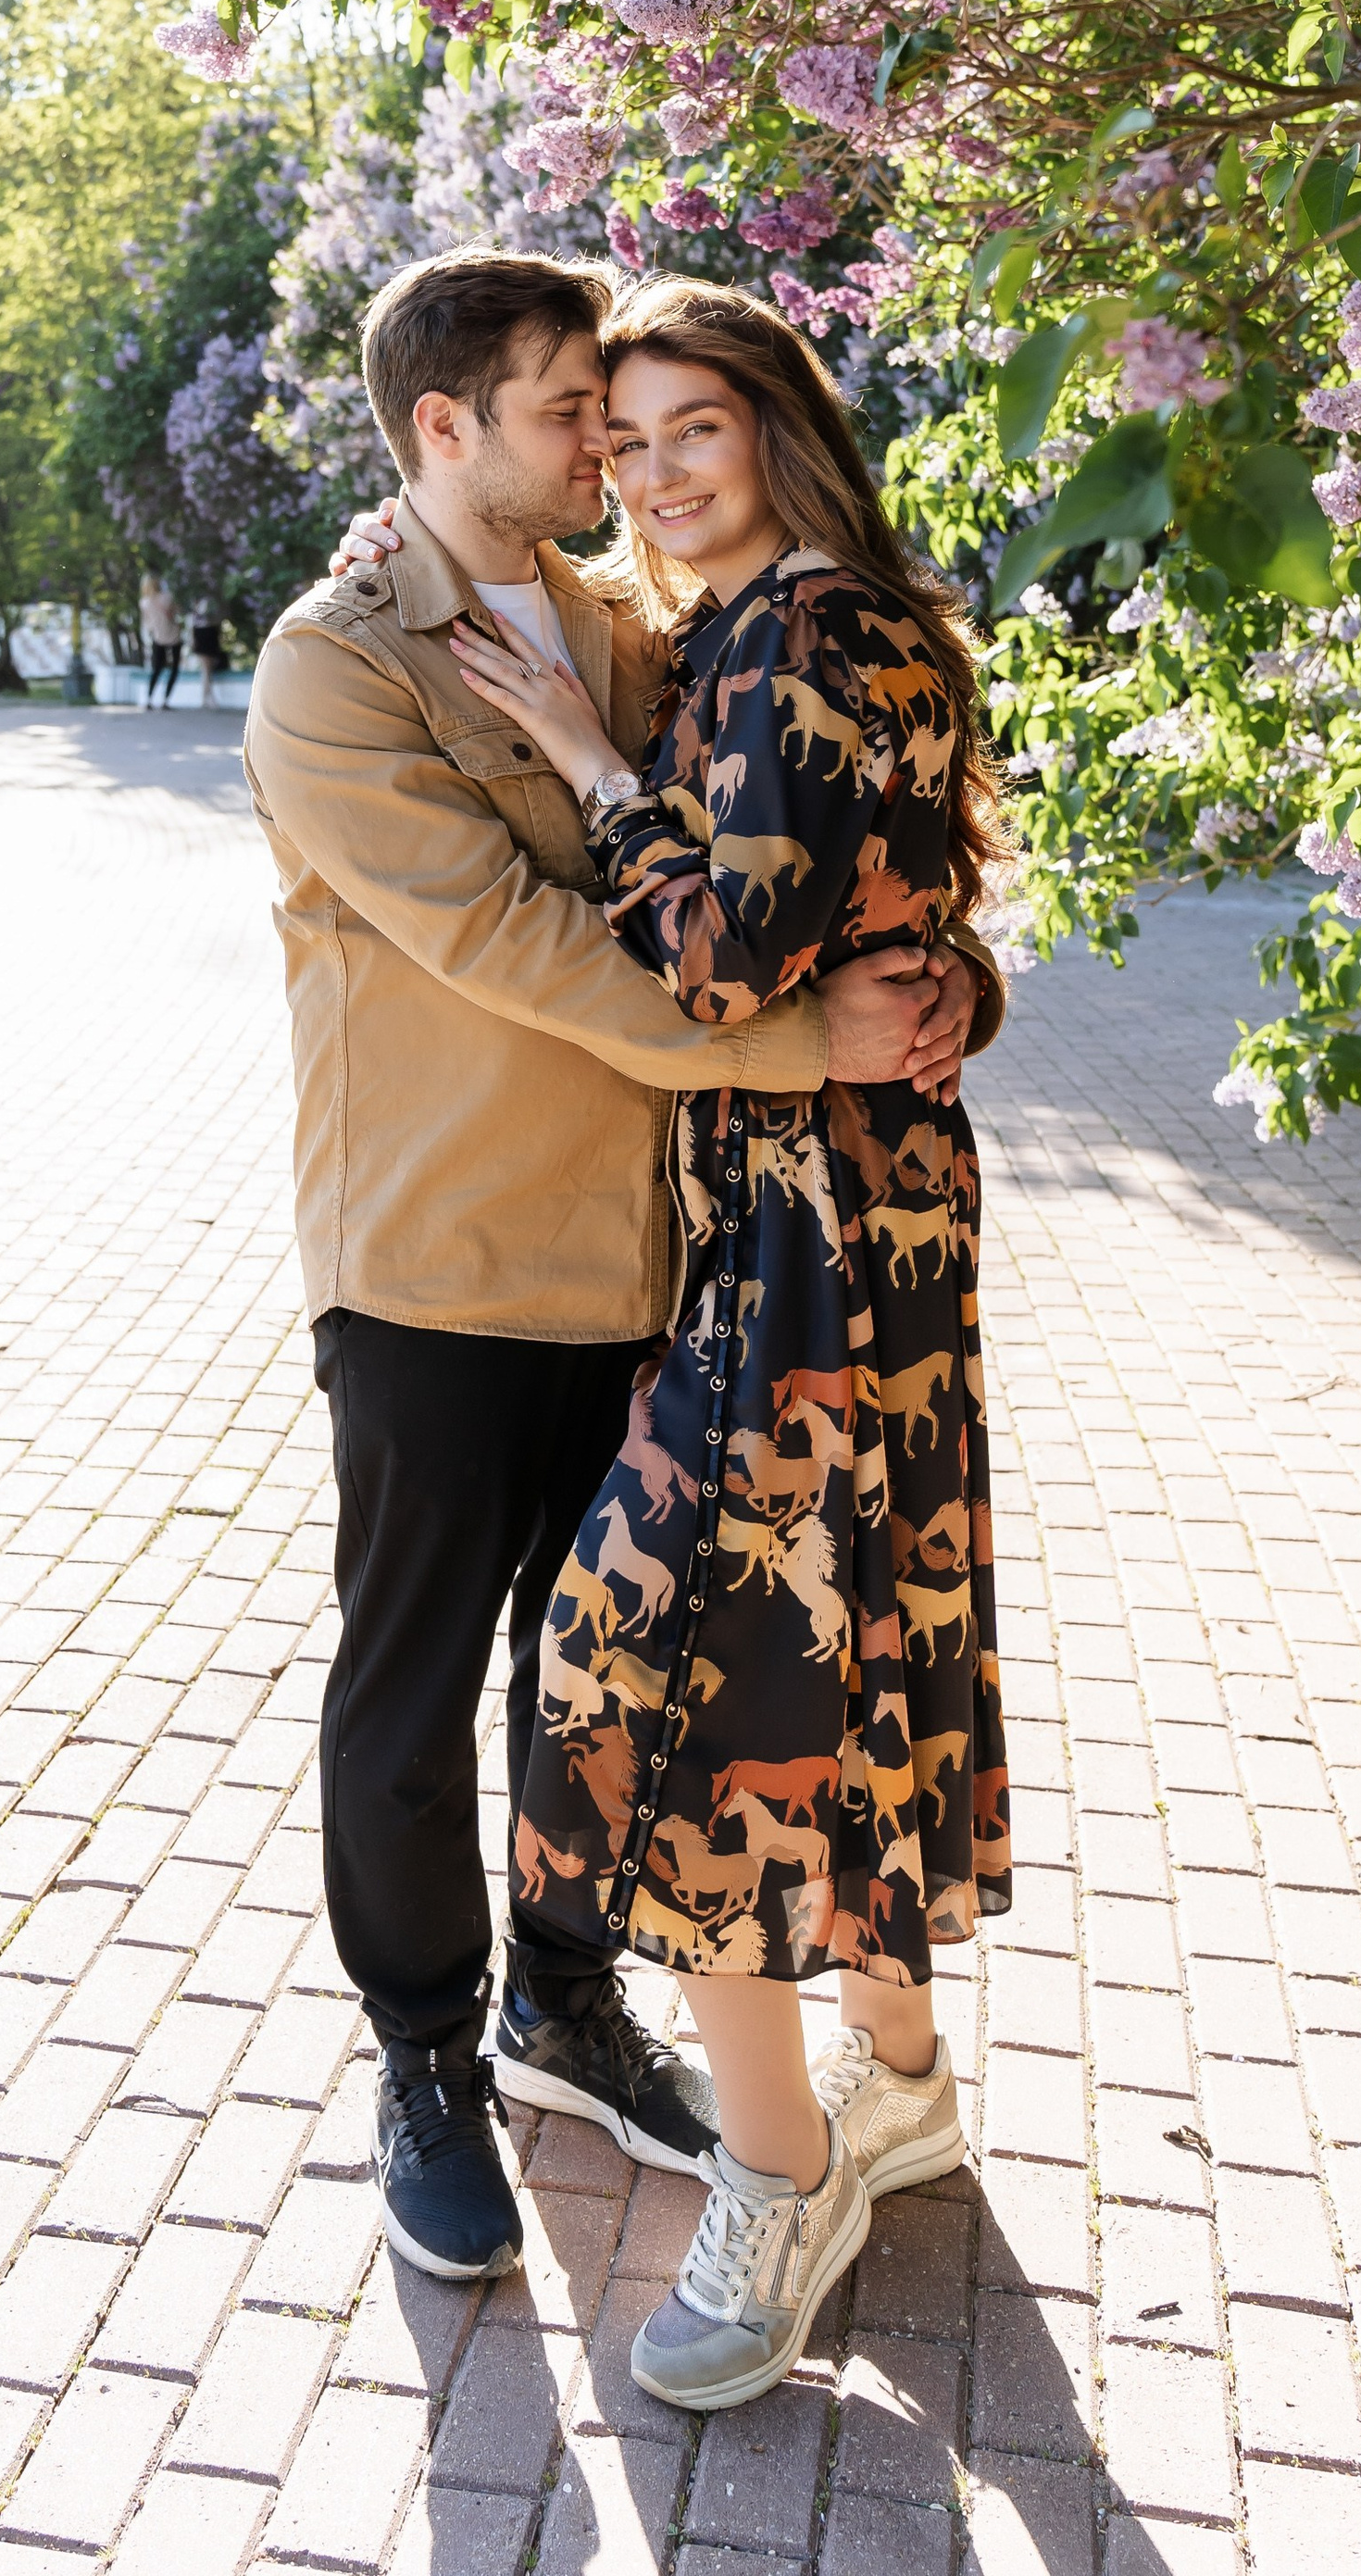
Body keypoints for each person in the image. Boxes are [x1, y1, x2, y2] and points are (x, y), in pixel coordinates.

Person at [243, 247, 1002, 2288]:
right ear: (442, 431)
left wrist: (946, 987)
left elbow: (783, 844)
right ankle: (424, 2056)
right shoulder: (336, 666)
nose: (609, 446)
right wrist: (797, 1042)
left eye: (635, 411)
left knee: (602, 1675)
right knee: (413, 1685)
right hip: (445, 1256)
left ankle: (562, 2004)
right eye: (576, 409)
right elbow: (514, 944)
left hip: (663, 1258)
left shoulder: (615, 626)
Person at [450, 274, 1011, 2415]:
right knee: (834, 1643)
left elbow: (707, 957)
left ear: (779, 425)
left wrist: (583, 755)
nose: (660, 470)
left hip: (816, 1249)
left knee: (654, 1670)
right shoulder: (794, 632)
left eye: (699, 427)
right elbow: (877, 910)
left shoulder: (814, 637)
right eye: (630, 433)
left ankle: (774, 2174)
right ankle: (893, 2075)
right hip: (830, 1211)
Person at [141, 574, 183, 710]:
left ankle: (149, 699)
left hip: (157, 637)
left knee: (157, 669)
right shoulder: (168, 597)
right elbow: (178, 612)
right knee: (174, 669)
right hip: (173, 636)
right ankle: (165, 700)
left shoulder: (144, 602)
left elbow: (147, 624)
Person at [190, 601, 226, 707]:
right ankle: (208, 697)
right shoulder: (199, 612)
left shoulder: (206, 608)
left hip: (208, 638)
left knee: (206, 671)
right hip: (204, 639)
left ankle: (206, 697)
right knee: (206, 670)